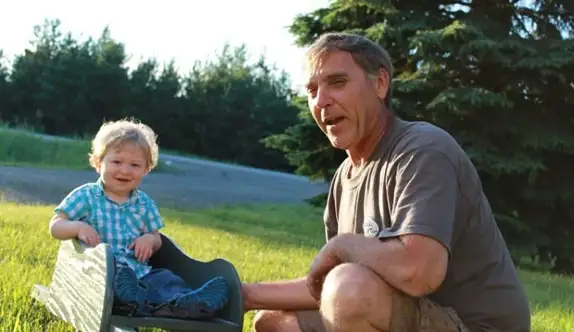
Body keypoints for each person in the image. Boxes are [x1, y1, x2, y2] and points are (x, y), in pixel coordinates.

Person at [242, 33, 531, 332]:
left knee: (350, 288)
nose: (322, 101)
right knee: (274, 322)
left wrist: (342, 245)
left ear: (380, 84)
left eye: (338, 83)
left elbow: (419, 272)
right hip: (404, 311)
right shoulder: (345, 177)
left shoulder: (423, 150)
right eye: (312, 90)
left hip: (473, 325)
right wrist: (246, 295)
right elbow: (327, 288)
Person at [49, 119, 229, 317]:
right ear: (98, 162)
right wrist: (76, 227)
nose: (125, 170)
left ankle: (186, 302)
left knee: (165, 279)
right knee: (118, 276)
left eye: (135, 165)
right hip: (99, 272)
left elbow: (156, 237)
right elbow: (56, 226)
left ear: (146, 169)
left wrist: (149, 240)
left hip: (140, 272)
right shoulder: (85, 196)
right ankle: (128, 299)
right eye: (116, 162)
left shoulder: (144, 203)